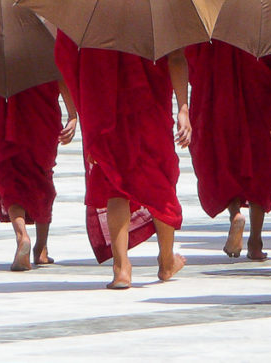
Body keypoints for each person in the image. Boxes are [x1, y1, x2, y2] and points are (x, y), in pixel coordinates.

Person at [54, 33, 190, 289]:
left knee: (114, 183)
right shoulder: (155, 3)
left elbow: (65, 57)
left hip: (103, 111)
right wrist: (183, 108)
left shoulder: (91, 8)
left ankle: (121, 268)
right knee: (159, 180)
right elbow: (177, 57)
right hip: (150, 108)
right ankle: (166, 260)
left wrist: (81, 111)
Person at [182, 41, 271, 261]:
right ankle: (255, 241)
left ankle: (236, 214)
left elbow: (189, 57)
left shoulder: (210, 18)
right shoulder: (263, 12)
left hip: (216, 96)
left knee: (223, 158)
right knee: (262, 162)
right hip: (261, 93)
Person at [0, 81, 76, 271]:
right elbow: (61, 77)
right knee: (42, 178)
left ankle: (22, 237)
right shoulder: (43, 52)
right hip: (41, 117)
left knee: (9, 180)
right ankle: (41, 249)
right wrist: (73, 115)